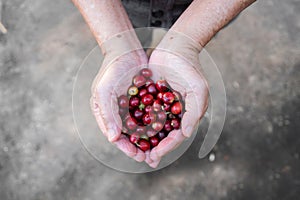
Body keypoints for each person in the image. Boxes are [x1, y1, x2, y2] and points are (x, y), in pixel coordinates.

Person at [72, 0, 256, 168]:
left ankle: (167, 46)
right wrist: (117, 45)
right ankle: (143, 49)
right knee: (136, 38)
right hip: (121, 8)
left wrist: (188, 41)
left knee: (189, 36)